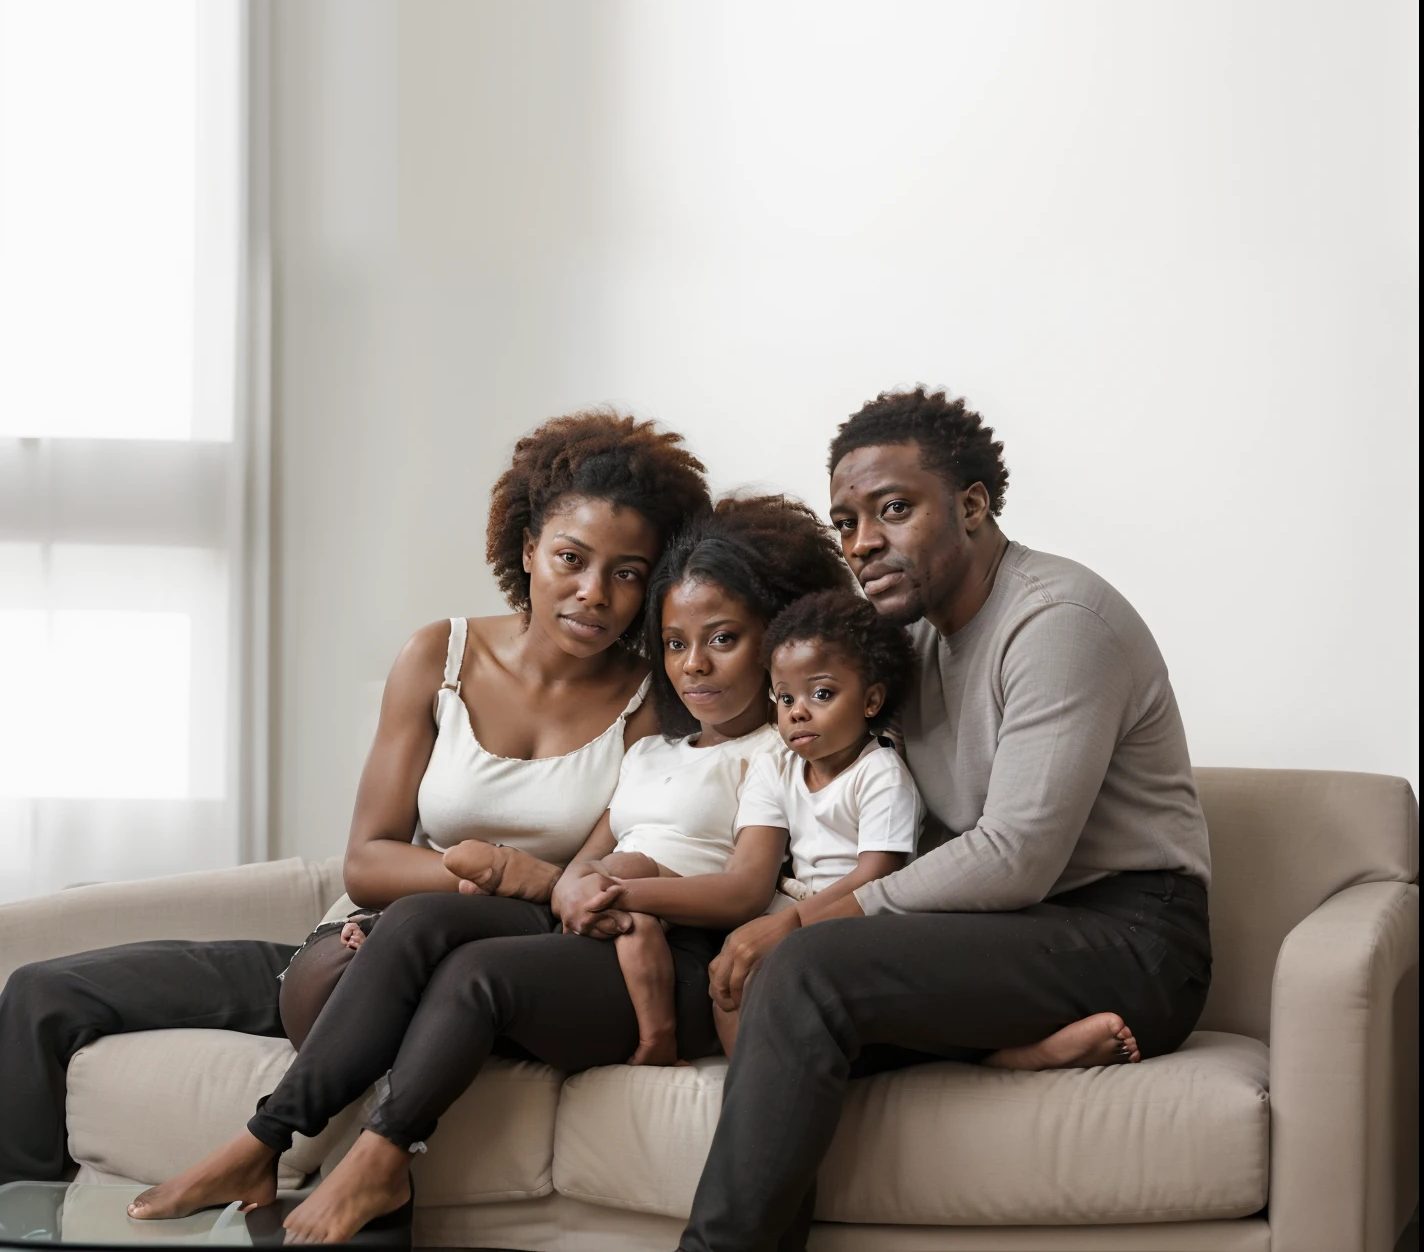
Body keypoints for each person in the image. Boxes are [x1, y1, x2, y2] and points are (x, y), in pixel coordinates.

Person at [0, 409, 710, 1184]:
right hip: (361, 941)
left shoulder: (655, 697)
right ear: (528, 547)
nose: (593, 593)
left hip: (495, 964)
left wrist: (489, 892)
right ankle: (27, 1220)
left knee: (409, 971)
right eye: (571, 558)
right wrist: (475, 883)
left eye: (627, 573)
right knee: (42, 994)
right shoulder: (440, 655)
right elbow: (367, 863)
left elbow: (584, 892)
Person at [124, 494, 852, 1245]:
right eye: (674, 643)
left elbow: (748, 888)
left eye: (724, 640)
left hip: (677, 949)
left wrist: (611, 894)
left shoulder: (779, 753)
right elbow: (586, 857)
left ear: (776, 638)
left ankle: (383, 1156)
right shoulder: (654, 746)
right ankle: (263, 1142)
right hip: (601, 923)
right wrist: (567, 885)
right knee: (415, 920)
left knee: (479, 976)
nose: (693, 664)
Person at [679, 386, 1212, 1252]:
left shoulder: (1057, 621)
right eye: (847, 520)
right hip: (1004, 938)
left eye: (894, 509)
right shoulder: (909, 646)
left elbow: (1013, 858)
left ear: (972, 506)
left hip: (1135, 942)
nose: (861, 543)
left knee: (807, 971)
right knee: (765, 994)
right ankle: (1014, 1048)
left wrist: (807, 922)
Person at [711, 588, 921, 1051]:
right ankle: (745, 1081)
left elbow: (877, 875)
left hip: (860, 914)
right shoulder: (776, 767)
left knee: (776, 970)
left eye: (821, 693)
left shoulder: (880, 773)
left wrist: (790, 926)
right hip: (798, 904)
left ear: (871, 701)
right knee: (729, 974)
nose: (797, 711)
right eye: (784, 698)